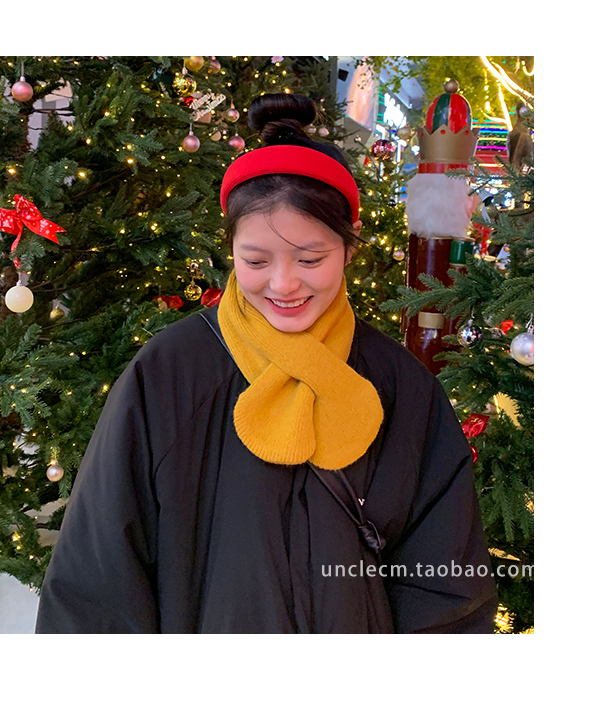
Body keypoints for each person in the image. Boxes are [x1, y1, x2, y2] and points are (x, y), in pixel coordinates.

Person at [35, 93, 498, 634]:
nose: (283, 284)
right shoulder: (170, 373)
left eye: (311, 258)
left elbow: (445, 586)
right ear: (231, 250)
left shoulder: (400, 387)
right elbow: (97, 582)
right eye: (256, 260)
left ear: (349, 250)